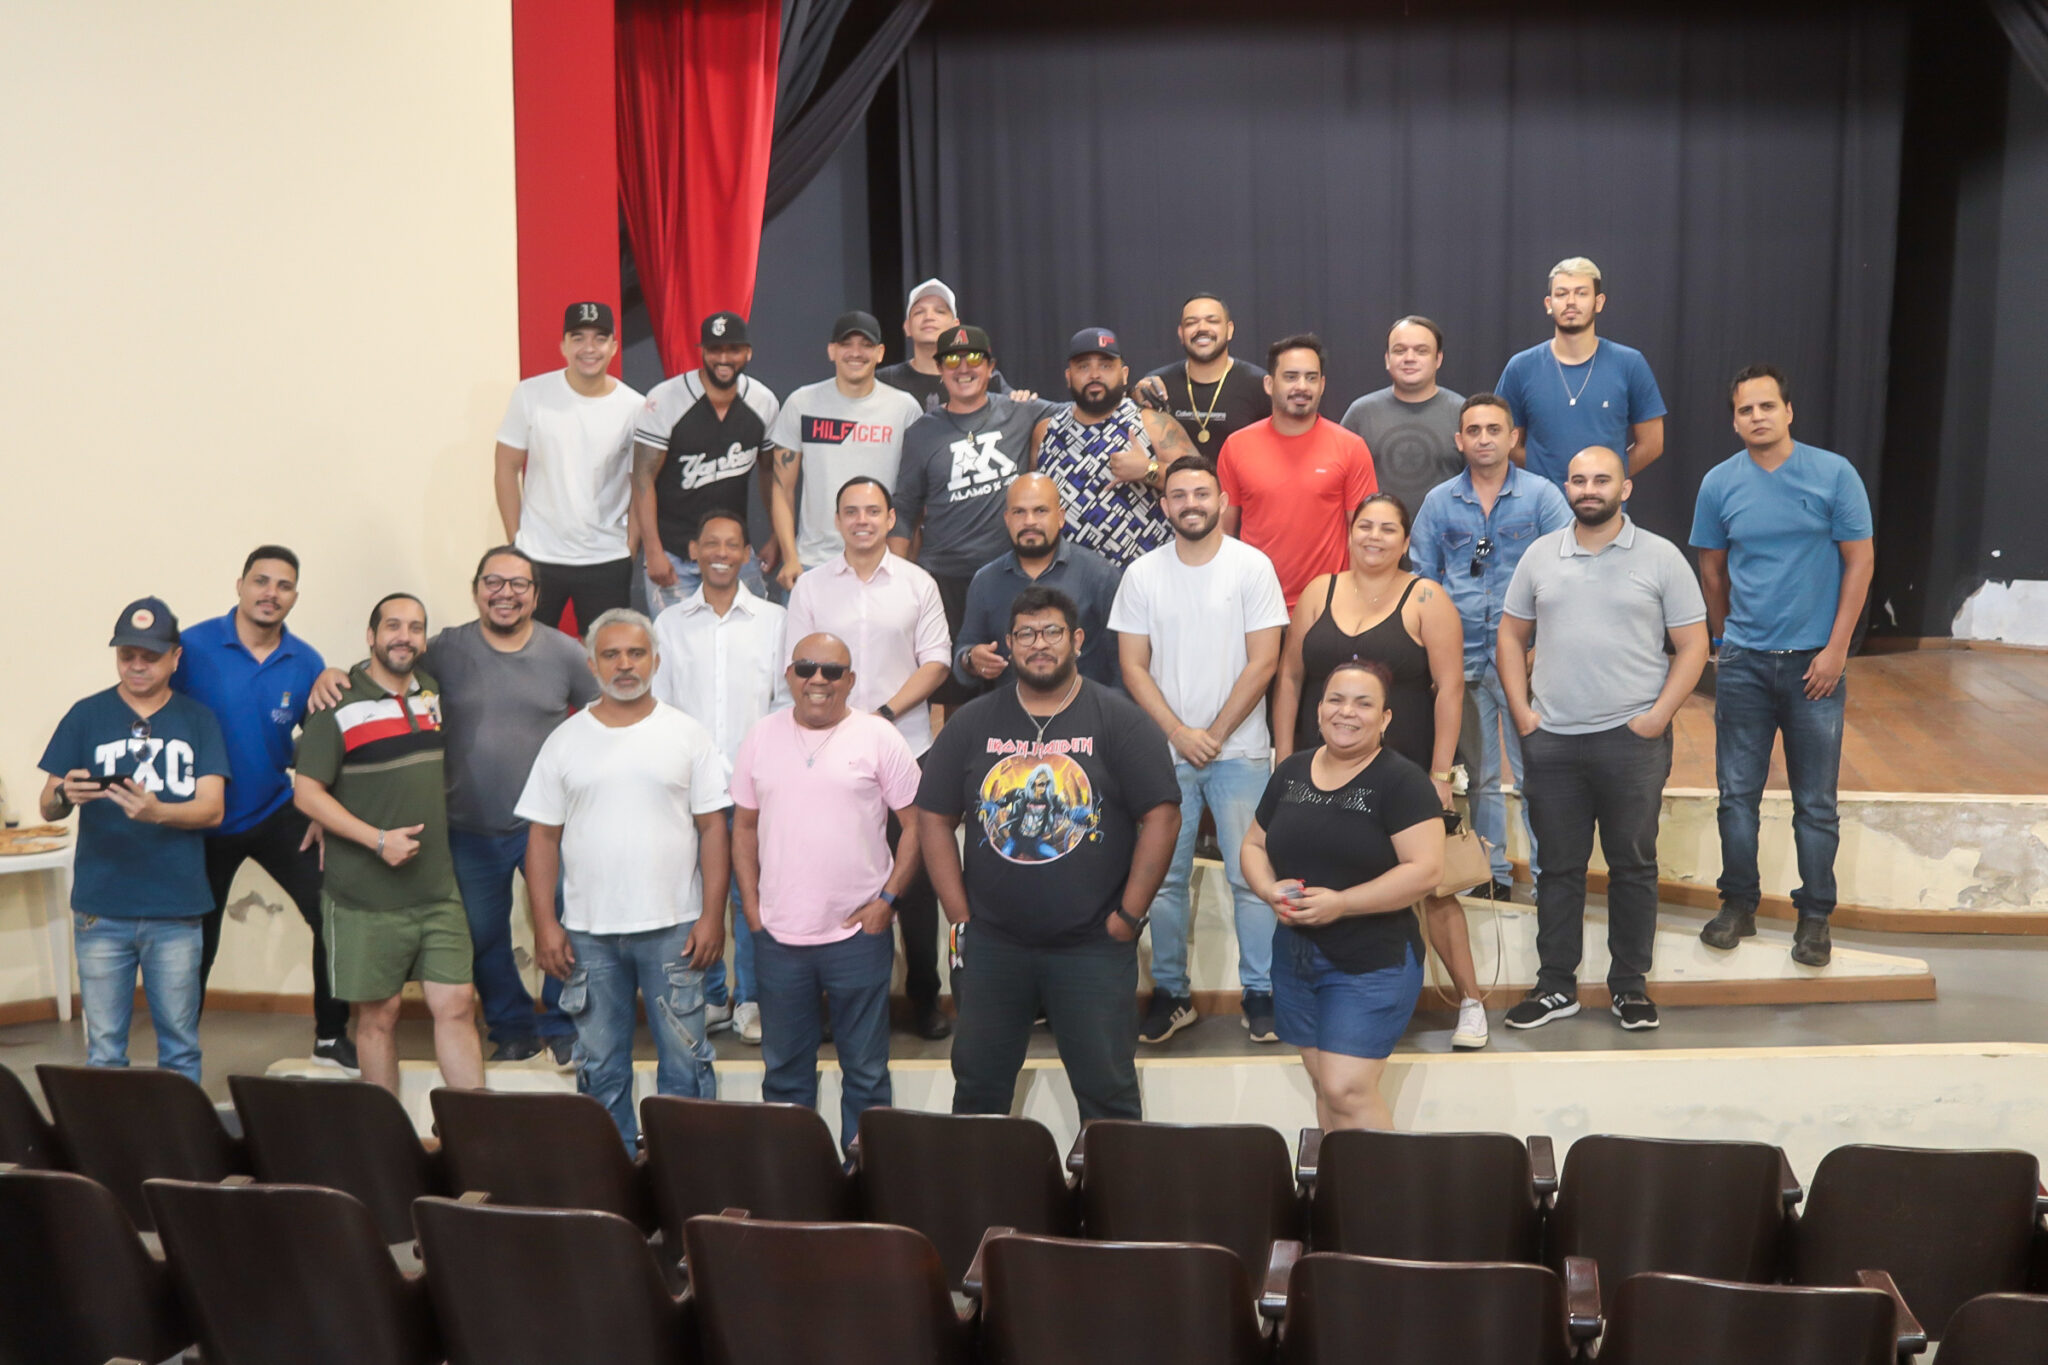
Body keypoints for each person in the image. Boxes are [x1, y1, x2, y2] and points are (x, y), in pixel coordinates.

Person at [918, 587, 1182, 1121]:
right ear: (1009, 645)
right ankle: (987, 1205)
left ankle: (1109, 1206)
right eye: (1026, 634)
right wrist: (959, 916)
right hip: (993, 947)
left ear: (1077, 640)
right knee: (977, 1093)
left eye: (1052, 632)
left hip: (1092, 945)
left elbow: (1162, 814)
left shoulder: (1119, 719)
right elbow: (933, 817)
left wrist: (1128, 917)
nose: (1039, 645)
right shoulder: (972, 722)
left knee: (1108, 1098)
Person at [1498, 447, 1709, 1033]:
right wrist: (1522, 711)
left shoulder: (1662, 557)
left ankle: (1629, 987)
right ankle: (1555, 986)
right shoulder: (1541, 555)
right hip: (1554, 740)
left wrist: (1657, 718)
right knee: (1558, 869)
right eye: (1579, 480)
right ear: (1566, 487)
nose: (1589, 489)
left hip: (1632, 739)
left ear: (1626, 488)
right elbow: (1511, 636)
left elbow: (1693, 646)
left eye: (1601, 479)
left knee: (1633, 865)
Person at [1272, 494, 1485, 1049]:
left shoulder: (1427, 597)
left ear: (1406, 541)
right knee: (1332, 878)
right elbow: (1291, 677)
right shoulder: (1320, 592)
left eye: (1388, 529)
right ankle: (1335, 997)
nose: (1374, 537)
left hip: (1406, 768)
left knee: (1433, 888)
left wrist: (1440, 772)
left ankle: (1470, 1002)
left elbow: (1450, 688)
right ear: (1349, 532)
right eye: (1365, 526)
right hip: (1325, 768)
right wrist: (1281, 751)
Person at [518, 610, 730, 1148]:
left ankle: (683, 1171)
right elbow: (541, 840)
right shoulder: (565, 741)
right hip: (588, 936)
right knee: (599, 1066)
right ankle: (615, 1176)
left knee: (685, 1065)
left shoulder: (687, 734)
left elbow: (713, 830)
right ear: (592, 664)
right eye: (611, 654)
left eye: (636, 653)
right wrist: (545, 924)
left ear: (655, 661)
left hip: (675, 930)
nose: (625, 664)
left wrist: (712, 917)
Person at [1692, 365, 1875, 968]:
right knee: (1735, 797)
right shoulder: (1720, 483)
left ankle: (1815, 917)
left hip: (1814, 665)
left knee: (1815, 803)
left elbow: (1860, 561)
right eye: (1745, 410)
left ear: (1789, 411)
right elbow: (1712, 570)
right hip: (1744, 662)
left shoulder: (1833, 474)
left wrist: (1837, 648)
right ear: (1735, 419)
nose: (1757, 417)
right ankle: (1738, 905)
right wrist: (1724, 640)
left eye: (1767, 406)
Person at [1109, 457, 1291, 1043]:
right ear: (1163, 505)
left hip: (1240, 752)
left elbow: (1265, 660)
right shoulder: (1141, 574)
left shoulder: (1252, 566)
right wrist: (1180, 734)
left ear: (1220, 500)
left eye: (1202, 493)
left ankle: (1260, 994)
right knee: (1162, 878)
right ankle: (1171, 993)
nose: (1191, 503)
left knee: (1251, 875)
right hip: (1165, 755)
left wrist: (1211, 731)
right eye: (1178, 494)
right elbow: (1133, 667)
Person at [731, 633, 923, 1148]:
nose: (819, 679)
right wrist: (751, 908)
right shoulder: (760, 737)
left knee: (865, 1074)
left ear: (851, 681)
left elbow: (918, 826)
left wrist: (888, 901)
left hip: (858, 935)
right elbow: (743, 828)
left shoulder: (880, 737)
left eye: (833, 671)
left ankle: (861, 1182)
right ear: (790, 675)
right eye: (807, 668)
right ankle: (795, 1185)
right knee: (785, 1077)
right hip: (778, 935)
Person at [409, 548, 599, 1062]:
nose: (506, 594)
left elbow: (606, 715)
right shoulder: (444, 650)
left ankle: (563, 1025)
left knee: (563, 923)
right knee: (481, 934)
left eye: (519, 585)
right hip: (468, 825)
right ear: (476, 589)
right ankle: (511, 1026)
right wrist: (330, 677)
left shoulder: (565, 653)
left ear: (536, 595)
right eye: (494, 582)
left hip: (548, 828)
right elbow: (389, 673)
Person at [1241, 659, 1446, 1130]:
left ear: (1385, 718)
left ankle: (1384, 1201)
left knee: (1345, 1088)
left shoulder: (1401, 780)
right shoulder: (1291, 771)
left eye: (1363, 703)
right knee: (1324, 1087)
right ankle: (1338, 1197)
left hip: (1372, 961)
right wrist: (1269, 888)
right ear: (1318, 710)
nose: (1346, 712)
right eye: (1336, 699)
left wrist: (1342, 903)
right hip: (1295, 958)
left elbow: (1426, 871)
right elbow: (1253, 844)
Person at [293, 593, 484, 1095]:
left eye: (416, 627)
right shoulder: (336, 703)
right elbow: (307, 793)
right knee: (379, 1016)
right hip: (365, 897)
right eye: (393, 626)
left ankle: (476, 1136)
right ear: (371, 635)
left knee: (459, 1005)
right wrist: (377, 841)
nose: (405, 636)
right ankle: (389, 1145)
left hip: (436, 892)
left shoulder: (431, 693)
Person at [785, 476, 954, 1038]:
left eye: (873, 511)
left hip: (907, 745)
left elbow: (936, 663)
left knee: (918, 880)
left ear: (889, 520)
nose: (862, 520)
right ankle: (846, 1004)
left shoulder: (917, 583)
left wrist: (880, 715)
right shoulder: (810, 588)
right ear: (837, 522)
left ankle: (925, 998)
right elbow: (795, 668)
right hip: (826, 757)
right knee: (836, 870)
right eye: (851, 511)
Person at [171, 547, 353, 1070]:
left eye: (284, 585)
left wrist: (321, 806)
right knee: (195, 946)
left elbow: (319, 747)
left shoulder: (306, 661)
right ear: (240, 585)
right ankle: (181, 1055)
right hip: (203, 820)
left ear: (295, 596)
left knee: (334, 915)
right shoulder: (193, 648)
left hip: (276, 810)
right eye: (261, 581)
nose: (271, 593)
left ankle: (330, 1036)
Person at [40, 598, 228, 1083]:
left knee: (181, 1049)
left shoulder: (198, 719)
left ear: (174, 657)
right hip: (101, 908)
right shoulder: (86, 715)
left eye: (149, 655)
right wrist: (65, 792)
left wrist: (158, 811)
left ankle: (184, 1153)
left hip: (177, 908)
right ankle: (110, 1155)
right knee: (103, 1052)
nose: (137, 665)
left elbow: (213, 807)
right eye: (127, 655)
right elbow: (47, 804)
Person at [1409, 394, 1574, 899]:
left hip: (1526, 659)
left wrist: (1538, 644)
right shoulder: (1439, 502)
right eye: (1474, 430)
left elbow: (1566, 574)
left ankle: (1551, 880)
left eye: (1494, 429)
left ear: (1512, 437)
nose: (1484, 438)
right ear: (1459, 440)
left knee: (1535, 775)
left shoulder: (1542, 497)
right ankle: (1490, 877)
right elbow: (1422, 578)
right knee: (1477, 778)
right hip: (1461, 661)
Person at [652, 510, 791, 1042]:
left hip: (755, 786)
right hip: (691, 791)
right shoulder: (668, 624)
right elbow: (659, 708)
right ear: (693, 550)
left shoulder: (773, 621)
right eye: (711, 543)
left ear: (747, 554)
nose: (721, 553)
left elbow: (783, 703)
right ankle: (709, 997)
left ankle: (752, 999)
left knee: (750, 896)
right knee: (696, 895)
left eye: (732, 544)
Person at [891, 324, 1055, 707]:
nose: (963, 368)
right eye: (951, 359)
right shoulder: (921, 433)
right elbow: (904, 511)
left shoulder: (1021, 411)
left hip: (1009, 574)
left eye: (973, 359)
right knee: (956, 697)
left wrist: (1143, 392)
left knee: (1019, 687)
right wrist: (895, 582)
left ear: (990, 366)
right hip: (945, 579)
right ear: (940, 370)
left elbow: (1086, 410)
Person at [494, 301, 644, 633]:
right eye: (578, 338)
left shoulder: (634, 407)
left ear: (614, 347)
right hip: (537, 554)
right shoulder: (531, 394)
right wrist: (516, 543)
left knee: (607, 660)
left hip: (606, 557)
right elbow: (506, 466)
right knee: (526, 656)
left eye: (600, 338)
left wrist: (629, 547)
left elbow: (641, 483)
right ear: (563, 345)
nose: (589, 348)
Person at [764, 310, 925, 591]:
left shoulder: (905, 408)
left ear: (880, 352)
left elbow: (916, 492)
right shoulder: (802, 403)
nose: (855, 353)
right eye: (846, 344)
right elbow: (782, 489)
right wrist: (791, 558)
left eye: (865, 345)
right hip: (814, 563)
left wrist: (905, 559)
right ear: (831, 351)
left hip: (881, 562)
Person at [632, 311, 781, 610]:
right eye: (714, 350)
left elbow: (770, 473)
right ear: (701, 351)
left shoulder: (763, 401)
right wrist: (653, 551)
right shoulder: (666, 398)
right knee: (676, 652)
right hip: (674, 554)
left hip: (736, 554)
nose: (723, 358)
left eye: (733, 350)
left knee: (751, 644)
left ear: (748, 353)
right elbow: (642, 477)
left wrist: (776, 536)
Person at [1218, 334, 1378, 609]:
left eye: (1311, 378)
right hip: (1254, 604)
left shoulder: (1350, 447)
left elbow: (1364, 535)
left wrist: (1358, 603)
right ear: (1269, 384)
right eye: (1291, 377)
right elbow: (1221, 535)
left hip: (1329, 607)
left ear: (1322, 385)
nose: (1301, 387)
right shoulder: (1236, 446)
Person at [1030, 326, 1197, 567]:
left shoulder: (1152, 423)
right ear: (1068, 376)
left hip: (1144, 579)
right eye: (1083, 366)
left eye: (1106, 365)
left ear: (1125, 374)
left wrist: (1149, 470)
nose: (1095, 374)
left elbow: (1201, 486)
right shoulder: (1045, 431)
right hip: (1069, 582)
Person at [1495, 258, 1667, 489]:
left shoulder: (1629, 363)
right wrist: (1543, 476)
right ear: (1549, 303)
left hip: (1605, 513)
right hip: (1539, 513)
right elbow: (1506, 441)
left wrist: (1605, 482)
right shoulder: (1521, 367)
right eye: (1562, 294)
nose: (1571, 302)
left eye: (1581, 293)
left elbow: (1652, 444)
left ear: (1599, 302)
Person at [954, 474, 1123, 693]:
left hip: (1086, 718)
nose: (1029, 521)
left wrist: (1109, 717)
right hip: (1012, 719)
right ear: (1007, 519)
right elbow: (963, 655)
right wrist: (971, 660)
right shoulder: (985, 581)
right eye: (1019, 512)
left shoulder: (1100, 575)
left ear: (1061, 517)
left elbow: (1125, 664)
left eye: (1040, 511)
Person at [1340, 316, 1468, 516]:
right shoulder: (1360, 414)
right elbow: (1339, 483)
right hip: (1376, 540)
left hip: (1447, 541)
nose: (1409, 358)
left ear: (1438, 359)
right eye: (1400, 350)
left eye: (1421, 351)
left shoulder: (1463, 413)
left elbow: (1481, 483)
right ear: (1387, 359)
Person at [1134, 293, 1272, 450]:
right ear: (1181, 333)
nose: (1202, 328)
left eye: (1212, 321)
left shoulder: (1259, 385)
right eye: (1191, 323)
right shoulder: (1158, 386)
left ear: (1229, 330)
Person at [875, 277, 1024, 411]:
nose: (929, 317)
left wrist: (1022, 401)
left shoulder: (982, 378)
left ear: (955, 326)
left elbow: (1017, 407)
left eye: (939, 311)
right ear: (907, 327)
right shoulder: (885, 380)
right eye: (919, 312)